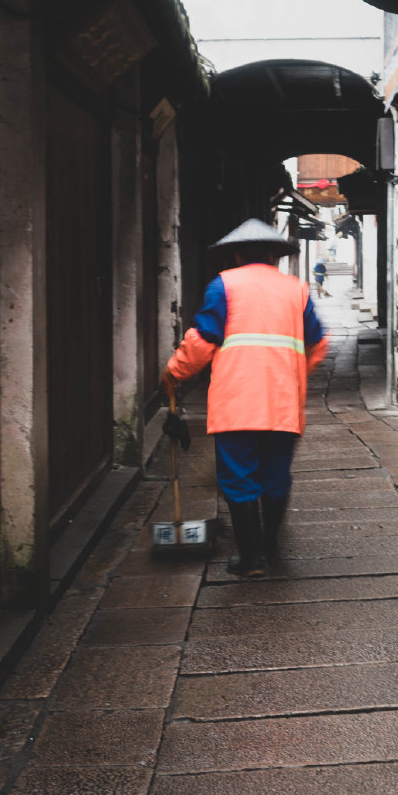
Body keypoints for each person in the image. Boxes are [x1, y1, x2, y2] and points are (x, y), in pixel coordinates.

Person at [162, 219, 329, 577]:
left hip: (237, 402)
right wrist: (294, 374)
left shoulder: (223, 284)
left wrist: (174, 373)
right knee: (275, 475)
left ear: (236, 254)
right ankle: (270, 547)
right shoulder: (296, 289)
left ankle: (251, 559)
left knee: (238, 478)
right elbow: (317, 343)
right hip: (283, 402)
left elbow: (202, 341)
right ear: (273, 255)